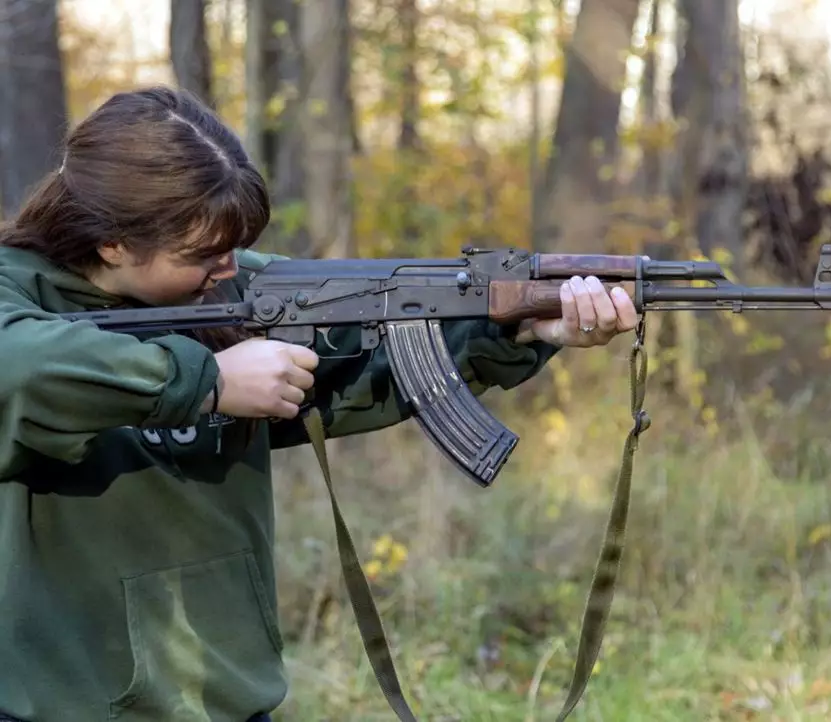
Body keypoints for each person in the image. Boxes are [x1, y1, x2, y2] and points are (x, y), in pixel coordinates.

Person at [0, 87, 638, 722]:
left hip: (224, 693)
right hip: (60, 702)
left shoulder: (230, 286)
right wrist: (209, 382)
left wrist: (519, 330)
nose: (230, 267)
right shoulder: (16, 293)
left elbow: (372, 362)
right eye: (204, 254)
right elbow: (22, 369)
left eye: (235, 246)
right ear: (113, 243)